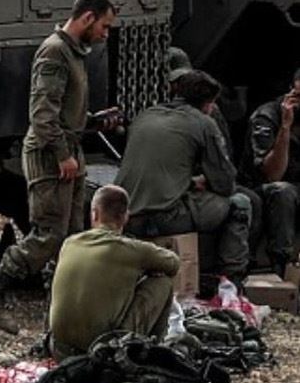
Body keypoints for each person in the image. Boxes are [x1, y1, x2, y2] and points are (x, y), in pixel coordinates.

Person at [0, 0, 120, 333]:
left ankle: (61, 312)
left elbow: (61, 110)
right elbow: (42, 115)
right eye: (104, 26)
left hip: (68, 150)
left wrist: (94, 121)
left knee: (73, 238)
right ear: (87, 18)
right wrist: (62, 155)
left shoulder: (72, 53)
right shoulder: (55, 53)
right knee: (49, 235)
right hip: (50, 156)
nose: (105, 34)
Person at [117, 68, 252, 280]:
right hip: (165, 217)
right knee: (240, 203)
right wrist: (206, 180)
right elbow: (225, 184)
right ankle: (231, 281)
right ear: (208, 104)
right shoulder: (204, 123)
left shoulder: (145, 115)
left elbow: (157, 169)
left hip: (126, 216)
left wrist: (189, 182)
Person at [48, 184, 180, 358]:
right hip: (105, 352)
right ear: (125, 217)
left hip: (59, 348)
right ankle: (150, 351)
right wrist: (147, 268)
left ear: (94, 214)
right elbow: (173, 263)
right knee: (162, 282)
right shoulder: (133, 250)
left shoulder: (69, 243)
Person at [249, 68, 300, 269]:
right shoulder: (267, 116)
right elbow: (273, 174)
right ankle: (281, 264)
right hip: (266, 188)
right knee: (283, 192)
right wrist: (285, 127)